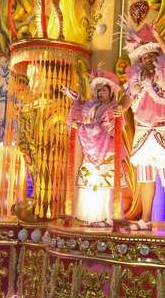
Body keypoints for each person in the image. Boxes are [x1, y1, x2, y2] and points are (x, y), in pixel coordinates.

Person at [114, 18, 165, 232]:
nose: (148, 59)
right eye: (144, 57)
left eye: (151, 55)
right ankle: (145, 219)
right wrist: (121, 108)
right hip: (143, 131)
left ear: (157, 55)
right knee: (145, 176)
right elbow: (128, 98)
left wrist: (159, 38)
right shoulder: (136, 79)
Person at [63, 67, 125, 227]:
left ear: (111, 91)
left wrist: (83, 127)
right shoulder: (93, 107)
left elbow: (105, 128)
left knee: (106, 185)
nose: (100, 93)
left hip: (108, 149)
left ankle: (106, 218)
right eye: (98, 90)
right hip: (91, 149)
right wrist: (75, 100)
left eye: (104, 89)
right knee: (91, 184)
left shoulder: (114, 108)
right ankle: (90, 217)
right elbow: (82, 115)